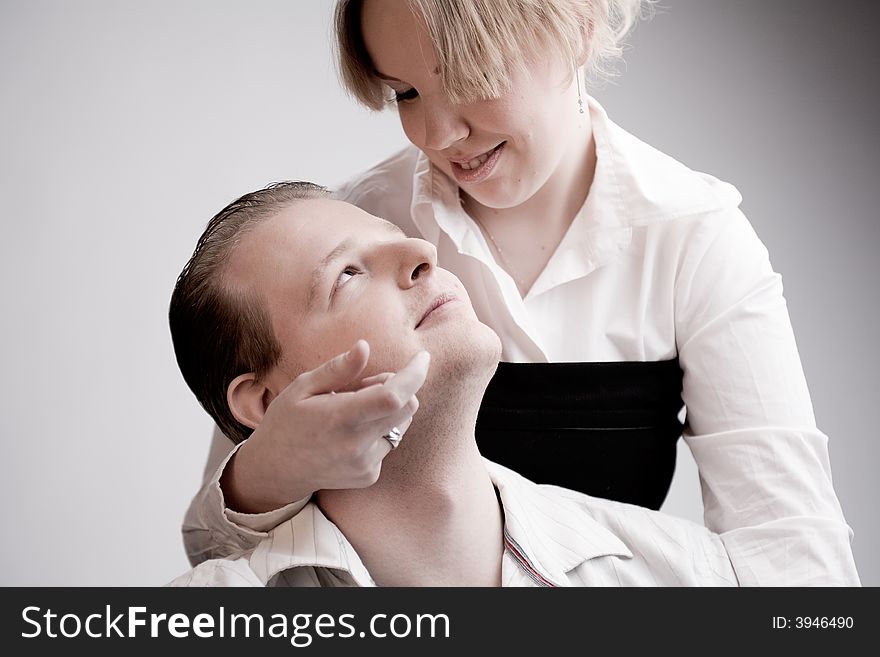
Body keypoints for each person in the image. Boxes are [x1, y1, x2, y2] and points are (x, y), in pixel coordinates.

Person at [182, 0, 860, 585]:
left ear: (580, 25)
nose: (438, 136)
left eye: (473, 76)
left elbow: (796, 564)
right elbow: (224, 550)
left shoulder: (693, 238)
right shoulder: (363, 227)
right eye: (405, 94)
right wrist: (266, 471)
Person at [169, 181, 741, 587]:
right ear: (267, 403)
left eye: (396, 234)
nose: (423, 250)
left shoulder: (689, 578)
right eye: (347, 273)